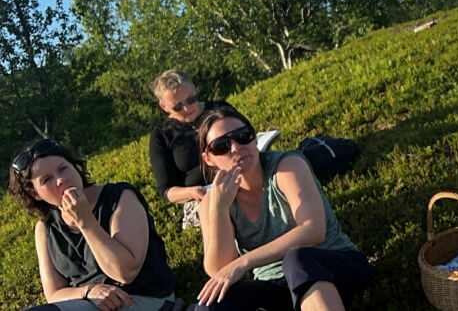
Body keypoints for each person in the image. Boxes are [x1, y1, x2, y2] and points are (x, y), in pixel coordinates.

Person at [192, 105, 372, 311]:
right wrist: (219, 209)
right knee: (211, 304)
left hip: (331, 267)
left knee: (297, 259)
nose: (235, 147)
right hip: (276, 287)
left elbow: (313, 230)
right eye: (221, 145)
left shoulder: (287, 166)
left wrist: (243, 263)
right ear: (208, 158)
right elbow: (218, 269)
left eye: (243, 136)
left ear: (254, 138)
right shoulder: (211, 203)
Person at [8, 138, 178, 311]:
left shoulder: (119, 198)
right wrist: (88, 291)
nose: (60, 180)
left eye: (63, 168)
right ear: (35, 193)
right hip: (87, 303)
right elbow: (53, 294)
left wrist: (85, 221)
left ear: (74, 167)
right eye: (46, 180)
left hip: (140, 298)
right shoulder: (45, 228)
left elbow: (125, 273)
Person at [149, 69, 231, 229]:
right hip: (201, 200)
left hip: (238, 180)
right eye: (178, 107)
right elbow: (166, 190)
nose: (187, 108)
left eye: (191, 99)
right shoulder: (161, 135)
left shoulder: (220, 110)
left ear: (195, 89)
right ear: (164, 106)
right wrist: (191, 192)